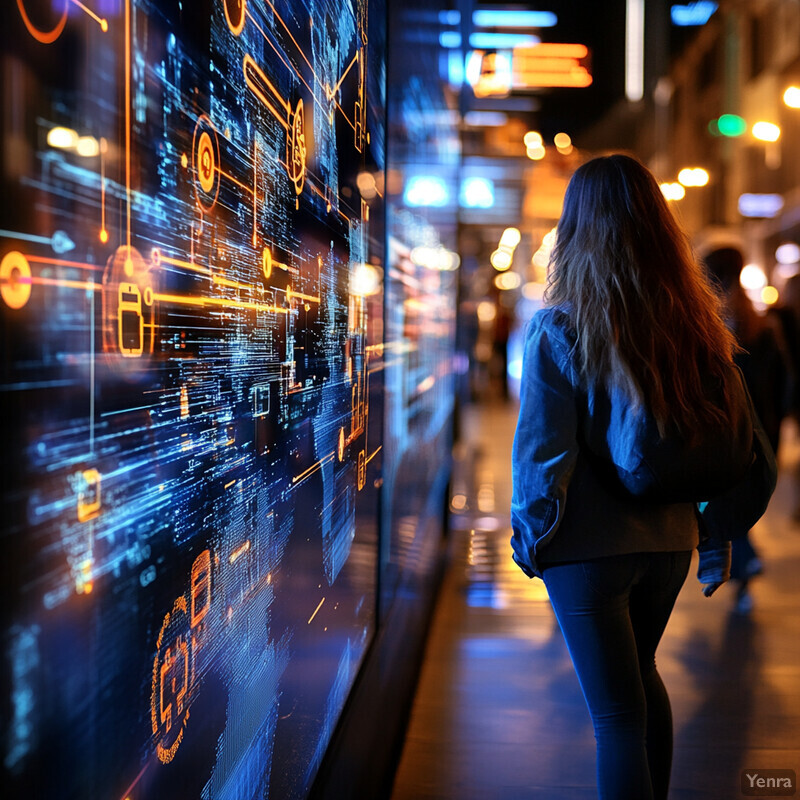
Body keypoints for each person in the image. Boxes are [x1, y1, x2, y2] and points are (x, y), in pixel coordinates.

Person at [510, 155, 770, 800]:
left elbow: (543, 453)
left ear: (576, 229)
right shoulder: (695, 325)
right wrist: (712, 531)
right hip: (667, 541)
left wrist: (532, 536)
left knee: (616, 719)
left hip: (588, 548)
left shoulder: (561, 324)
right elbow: (736, 446)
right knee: (641, 687)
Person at [703, 246, 790, 612]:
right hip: (763, 426)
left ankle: (739, 557)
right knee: (741, 494)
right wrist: (776, 421)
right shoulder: (761, 323)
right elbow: (786, 379)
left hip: (725, 426)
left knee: (725, 494)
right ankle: (740, 561)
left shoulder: (710, 322)